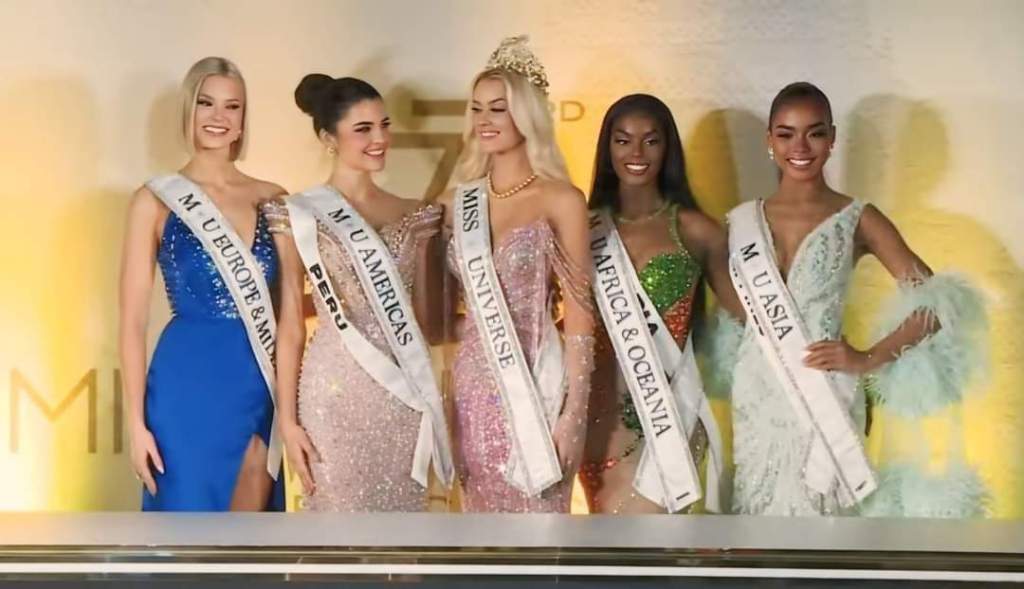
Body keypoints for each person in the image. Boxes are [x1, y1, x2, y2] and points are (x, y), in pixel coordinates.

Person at [726, 82, 987, 516]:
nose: (800, 147)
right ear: (769, 140)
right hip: (756, 392)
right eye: (786, 134)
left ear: (832, 138)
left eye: (814, 133)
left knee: (826, 520)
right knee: (756, 521)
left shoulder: (857, 217)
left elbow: (938, 302)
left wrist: (867, 358)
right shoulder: (741, 222)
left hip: (825, 390)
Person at [264, 74, 453, 512]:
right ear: (329, 138)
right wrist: (287, 421)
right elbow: (290, 325)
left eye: (384, 125)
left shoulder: (416, 213)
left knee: (401, 532)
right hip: (332, 391)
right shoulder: (297, 214)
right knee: (336, 527)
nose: (380, 139)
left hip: (403, 393)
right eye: (363, 129)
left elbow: (427, 321)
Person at [120, 56, 286, 511]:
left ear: (243, 119)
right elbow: (132, 322)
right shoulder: (154, 200)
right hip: (183, 384)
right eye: (206, 103)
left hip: (256, 381)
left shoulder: (274, 199)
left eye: (232, 106)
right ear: (188, 111)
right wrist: (135, 425)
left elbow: (291, 311)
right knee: (186, 521)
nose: (218, 117)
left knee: (250, 533)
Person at [436, 36, 595, 512]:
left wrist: (574, 415)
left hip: (540, 382)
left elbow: (581, 316)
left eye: (498, 109)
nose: (484, 120)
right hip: (472, 388)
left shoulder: (561, 200)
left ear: (526, 115)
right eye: (477, 109)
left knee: (540, 524)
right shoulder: (453, 204)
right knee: (481, 534)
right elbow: (436, 310)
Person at [582, 94, 741, 514]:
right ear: (607, 148)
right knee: (601, 548)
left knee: (656, 545)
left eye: (650, 141)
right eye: (623, 140)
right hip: (597, 424)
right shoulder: (583, 227)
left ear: (667, 148)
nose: (636, 153)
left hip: (669, 416)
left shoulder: (696, 231)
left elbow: (745, 322)